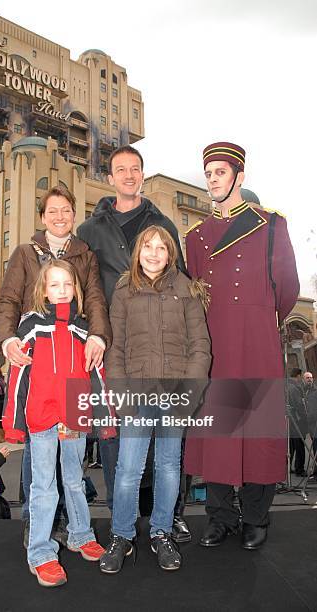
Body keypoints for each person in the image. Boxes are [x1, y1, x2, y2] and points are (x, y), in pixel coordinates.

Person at [184, 141, 299, 550]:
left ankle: (255, 516)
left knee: (258, 431)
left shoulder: (270, 225)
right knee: (218, 431)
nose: (213, 180)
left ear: (239, 176)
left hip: (257, 339)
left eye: (220, 172)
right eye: (209, 173)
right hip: (216, 342)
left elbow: (287, 290)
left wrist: (261, 321)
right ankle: (219, 517)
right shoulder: (195, 237)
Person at [77, 144, 189, 538]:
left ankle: (166, 516)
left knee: (167, 443)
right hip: (112, 347)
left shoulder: (162, 223)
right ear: (110, 178)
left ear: (142, 174)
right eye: (120, 169)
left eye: (135, 169)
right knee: (116, 439)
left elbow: (183, 282)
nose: (128, 175)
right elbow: (83, 288)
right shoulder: (89, 231)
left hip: (161, 347)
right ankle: (121, 522)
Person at [0, 185, 112, 546]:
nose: (60, 217)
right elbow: (8, 300)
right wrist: (8, 339)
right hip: (38, 364)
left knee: (72, 465)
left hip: (73, 367)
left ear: (74, 216)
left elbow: (95, 300)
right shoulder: (25, 253)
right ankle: (37, 526)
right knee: (38, 456)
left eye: (66, 211)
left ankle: (76, 529)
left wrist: (98, 336)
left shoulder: (85, 255)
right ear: (43, 217)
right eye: (53, 211)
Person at [99, 226, 211, 573]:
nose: (153, 253)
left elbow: (200, 346)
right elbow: (114, 348)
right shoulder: (123, 290)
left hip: (175, 394)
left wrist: (189, 395)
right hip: (135, 391)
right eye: (148, 246)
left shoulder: (186, 289)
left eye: (161, 248)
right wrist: (121, 392)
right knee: (129, 468)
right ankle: (121, 535)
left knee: (168, 467)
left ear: (170, 254)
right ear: (138, 252)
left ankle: (162, 532)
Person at [2, 259, 107, 588]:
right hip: (42, 414)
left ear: (75, 288)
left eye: (67, 284)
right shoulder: (30, 326)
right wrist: (14, 422)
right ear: (43, 290)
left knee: (75, 481)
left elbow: (96, 374)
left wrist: (104, 417)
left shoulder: (83, 328)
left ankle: (80, 535)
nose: (61, 291)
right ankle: (41, 553)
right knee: (43, 486)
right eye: (54, 285)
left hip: (74, 411)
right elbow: (18, 377)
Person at [287, 368, 307, 477]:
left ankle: (288, 467)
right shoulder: (294, 388)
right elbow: (299, 405)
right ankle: (299, 468)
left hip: (290, 420)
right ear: (298, 376)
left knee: (291, 446)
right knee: (299, 445)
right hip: (297, 420)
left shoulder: (287, 385)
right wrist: (305, 416)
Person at [302, 372, 317, 476]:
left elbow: (312, 410)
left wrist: (308, 419)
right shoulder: (305, 391)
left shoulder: (314, 391)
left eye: (311, 378)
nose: (309, 379)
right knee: (315, 447)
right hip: (311, 425)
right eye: (307, 378)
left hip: (314, 424)